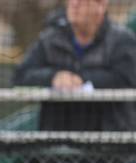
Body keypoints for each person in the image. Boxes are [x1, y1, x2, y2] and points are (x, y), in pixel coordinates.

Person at [12, 0, 136, 131]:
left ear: (101, 6)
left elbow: (126, 79)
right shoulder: (50, 38)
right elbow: (21, 76)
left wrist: (80, 79)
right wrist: (54, 77)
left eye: (83, 1)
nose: (74, 4)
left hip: (110, 141)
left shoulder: (122, 40)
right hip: (56, 141)